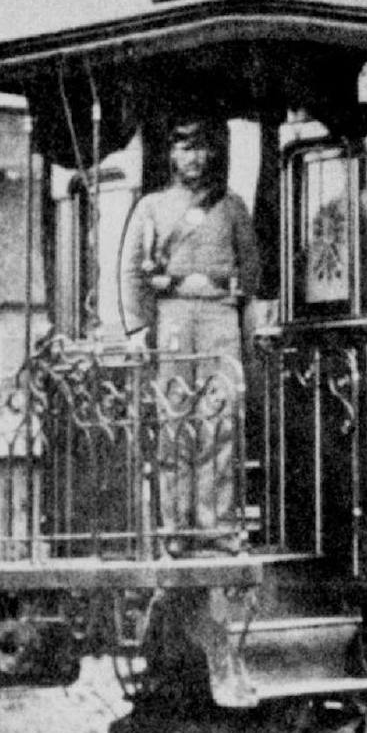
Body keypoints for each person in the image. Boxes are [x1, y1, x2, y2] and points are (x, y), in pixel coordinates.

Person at [119, 112, 263, 553]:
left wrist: (238, 310)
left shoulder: (231, 206)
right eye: (183, 147)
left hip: (220, 317)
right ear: (169, 154)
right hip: (174, 317)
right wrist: (139, 326)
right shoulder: (151, 207)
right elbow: (130, 270)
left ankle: (214, 524)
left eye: (200, 147)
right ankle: (175, 527)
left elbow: (252, 268)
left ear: (212, 152)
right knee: (175, 418)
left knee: (218, 421)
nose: (193, 157)